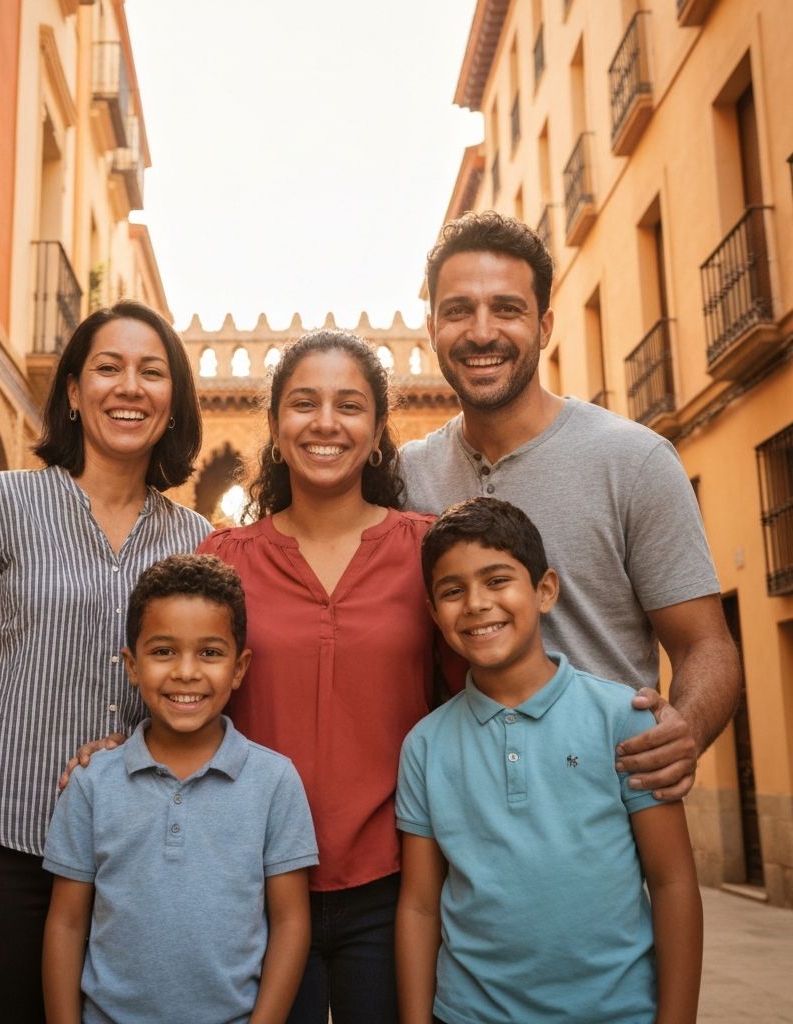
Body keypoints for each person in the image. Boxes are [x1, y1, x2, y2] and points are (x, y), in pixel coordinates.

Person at [0, 300, 211, 1024]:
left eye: (151, 373)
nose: (129, 386)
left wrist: (135, 743)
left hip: (131, 860)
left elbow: (201, 695)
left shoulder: (198, 539)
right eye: (108, 368)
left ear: (173, 403)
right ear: (73, 392)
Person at [401, 210, 741, 799]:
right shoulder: (406, 476)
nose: (482, 332)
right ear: (431, 327)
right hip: (459, 829)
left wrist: (683, 733)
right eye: (458, 310)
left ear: (544, 325)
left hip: (603, 826)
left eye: (507, 308)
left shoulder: (634, 461)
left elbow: (705, 646)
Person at [197, 329, 465, 1024]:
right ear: (276, 429)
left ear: (378, 432)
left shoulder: (427, 551)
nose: (324, 423)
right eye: (303, 404)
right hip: (249, 886)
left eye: (348, 405)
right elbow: (181, 698)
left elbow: (475, 697)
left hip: (395, 887)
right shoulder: (223, 559)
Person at [396, 497, 703, 1024]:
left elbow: (673, 882)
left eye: (497, 580)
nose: (475, 603)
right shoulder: (425, 744)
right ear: (433, 612)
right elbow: (420, 905)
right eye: (453, 591)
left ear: (545, 591)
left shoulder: (623, 718)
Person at [43, 554, 318, 1024]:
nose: (186, 672)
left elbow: (291, 923)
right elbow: (66, 923)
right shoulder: (92, 782)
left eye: (209, 652)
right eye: (163, 651)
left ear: (238, 667)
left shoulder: (274, 782)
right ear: (132, 665)